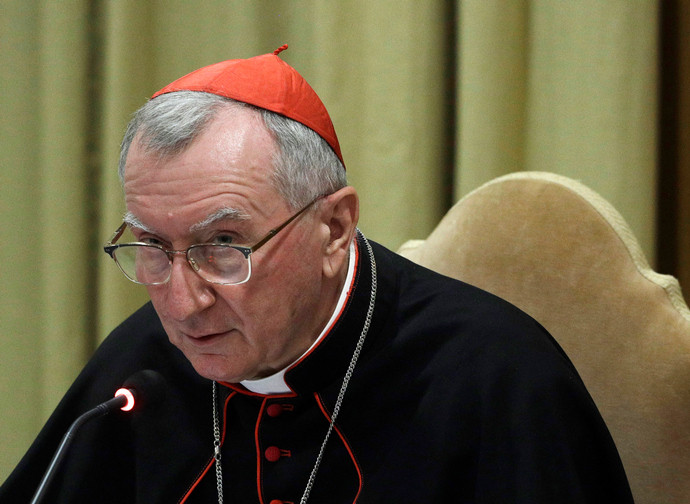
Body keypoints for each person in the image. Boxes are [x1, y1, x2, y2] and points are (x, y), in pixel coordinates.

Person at [0, 45, 634, 503]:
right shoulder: (142, 369)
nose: (184, 303)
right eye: (153, 246)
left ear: (333, 228)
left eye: (223, 244)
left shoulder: (496, 376)